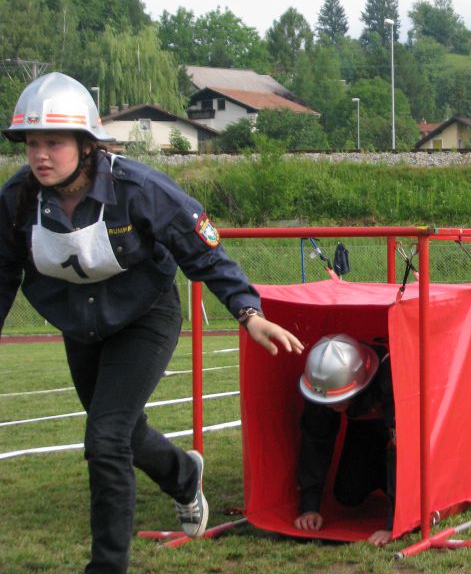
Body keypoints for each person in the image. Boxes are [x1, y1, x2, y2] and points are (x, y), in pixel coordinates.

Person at [0, 72, 304, 574]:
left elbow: (204, 252)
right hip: (80, 326)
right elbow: (4, 273)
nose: (40, 155)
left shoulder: (139, 189)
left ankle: (107, 566)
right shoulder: (15, 201)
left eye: (53, 142)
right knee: (120, 430)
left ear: (85, 143)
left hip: (146, 317)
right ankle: (183, 474)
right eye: (32, 143)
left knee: (104, 439)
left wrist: (249, 314)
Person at [294, 334, 395, 546]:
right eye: (329, 401)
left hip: (398, 436)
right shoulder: (319, 388)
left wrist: (394, 523)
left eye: (339, 400)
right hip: (365, 431)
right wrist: (309, 507)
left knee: (396, 454)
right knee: (347, 494)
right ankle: (381, 478)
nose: (333, 406)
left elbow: (405, 449)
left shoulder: (390, 377)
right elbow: (315, 440)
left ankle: (392, 489)